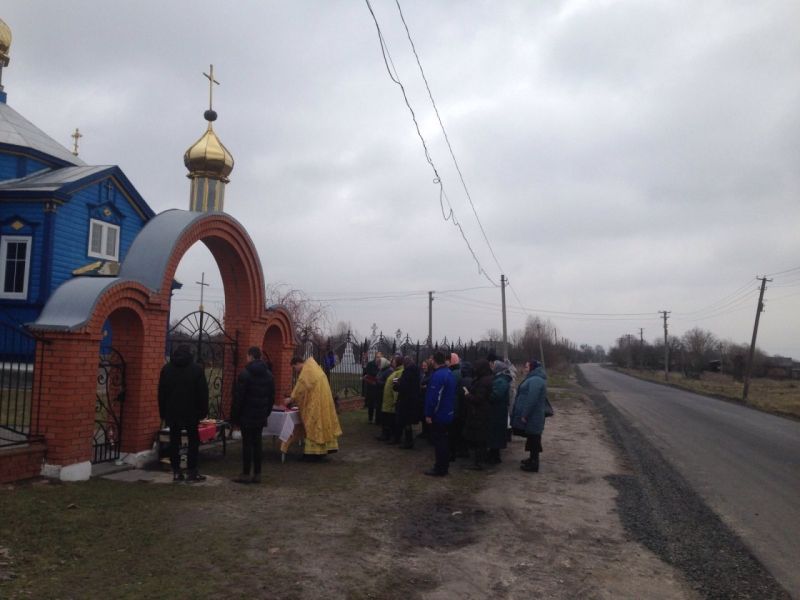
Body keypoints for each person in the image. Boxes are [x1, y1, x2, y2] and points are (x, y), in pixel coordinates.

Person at [158, 344, 209, 482]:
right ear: (190, 353)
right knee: (193, 441)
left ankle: (176, 471)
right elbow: (203, 393)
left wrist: (163, 412)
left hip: (172, 411)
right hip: (191, 411)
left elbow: (161, 393)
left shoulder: (167, 369)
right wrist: (203, 412)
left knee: (174, 441)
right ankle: (192, 471)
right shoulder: (196, 369)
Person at [231, 346, 275, 484]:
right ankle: (257, 473)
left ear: (250, 356)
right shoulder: (269, 375)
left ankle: (245, 474)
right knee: (257, 443)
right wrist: (266, 412)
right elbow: (271, 397)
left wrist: (235, 417)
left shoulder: (245, 374)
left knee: (247, 444)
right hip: (260, 415)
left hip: (246, 415)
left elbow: (239, 398)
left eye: (247, 356)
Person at [289, 356, 343, 461]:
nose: (295, 371)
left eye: (294, 368)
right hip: (323, 401)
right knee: (324, 423)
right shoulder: (315, 367)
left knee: (313, 425)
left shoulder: (307, 371)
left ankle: (313, 453)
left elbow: (300, 388)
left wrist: (291, 398)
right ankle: (325, 449)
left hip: (315, 403)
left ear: (297, 363)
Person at [511, 360, 548, 472]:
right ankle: (532, 459)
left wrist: (525, 414)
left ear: (532, 368)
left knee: (534, 438)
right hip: (533, 415)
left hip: (533, 415)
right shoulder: (533, 378)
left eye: (527, 367)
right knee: (532, 437)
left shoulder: (536, 380)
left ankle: (534, 464)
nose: (525, 369)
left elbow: (532, 398)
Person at [423, 352, 456, 477]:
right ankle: (444, 466)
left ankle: (440, 468)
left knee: (439, 442)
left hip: (439, 414)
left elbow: (434, 397)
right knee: (444, 441)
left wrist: (429, 414)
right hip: (448, 412)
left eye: (431, 359)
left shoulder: (437, 375)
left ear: (434, 361)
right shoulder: (449, 373)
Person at [462, 358, 493, 470]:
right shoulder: (486, 378)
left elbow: (479, 398)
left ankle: (479, 463)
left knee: (479, 438)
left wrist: (467, 395)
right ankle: (479, 461)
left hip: (479, 413)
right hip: (482, 412)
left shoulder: (483, 381)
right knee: (480, 438)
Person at [487, 359, 513, 464]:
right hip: (498, 410)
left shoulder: (501, 380)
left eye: (494, 366)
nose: (492, 367)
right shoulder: (500, 379)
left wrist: (487, 395)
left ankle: (495, 457)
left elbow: (496, 395)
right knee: (495, 434)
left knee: (496, 434)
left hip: (498, 411)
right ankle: (494, 454)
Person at [394, 356, 421, 448]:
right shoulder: (416, 371)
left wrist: (397, 385)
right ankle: (408, 440)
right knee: (407, 421)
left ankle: (409, 441)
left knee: (406, 421)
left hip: (406, 400)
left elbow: (404, 387)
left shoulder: (408, 372)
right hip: (412, 400)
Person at [377, 356, 404, 443]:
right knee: (386, 419)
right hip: (387, 400)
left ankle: (394, 437)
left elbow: (396, 387)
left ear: (398, 362)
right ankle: (386, 435)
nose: (392, 363)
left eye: (394, 361)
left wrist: (395, 400)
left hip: (391, 401)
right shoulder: (395, 371)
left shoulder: (398, 372)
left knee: (391, 420)